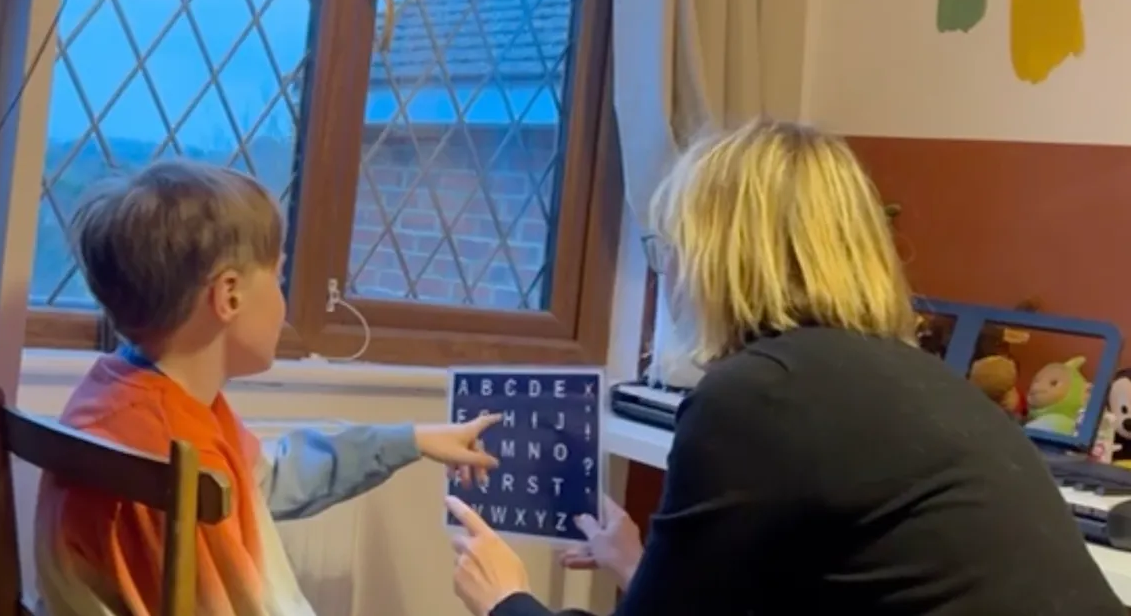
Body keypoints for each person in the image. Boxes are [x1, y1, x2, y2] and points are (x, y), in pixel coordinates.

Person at [444, 119, 1126, 615]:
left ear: (716, 256)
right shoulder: (914, 386)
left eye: (672, 245)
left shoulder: (761, 397)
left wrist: (507, 600)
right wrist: (640, 564)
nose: (670, 269)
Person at [33, 161, 501, 616]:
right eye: (277, 278)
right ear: (229, 295)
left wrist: (412, 440)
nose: (284, 302)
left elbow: (263, 480)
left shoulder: (125, 389)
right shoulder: (178, 453)